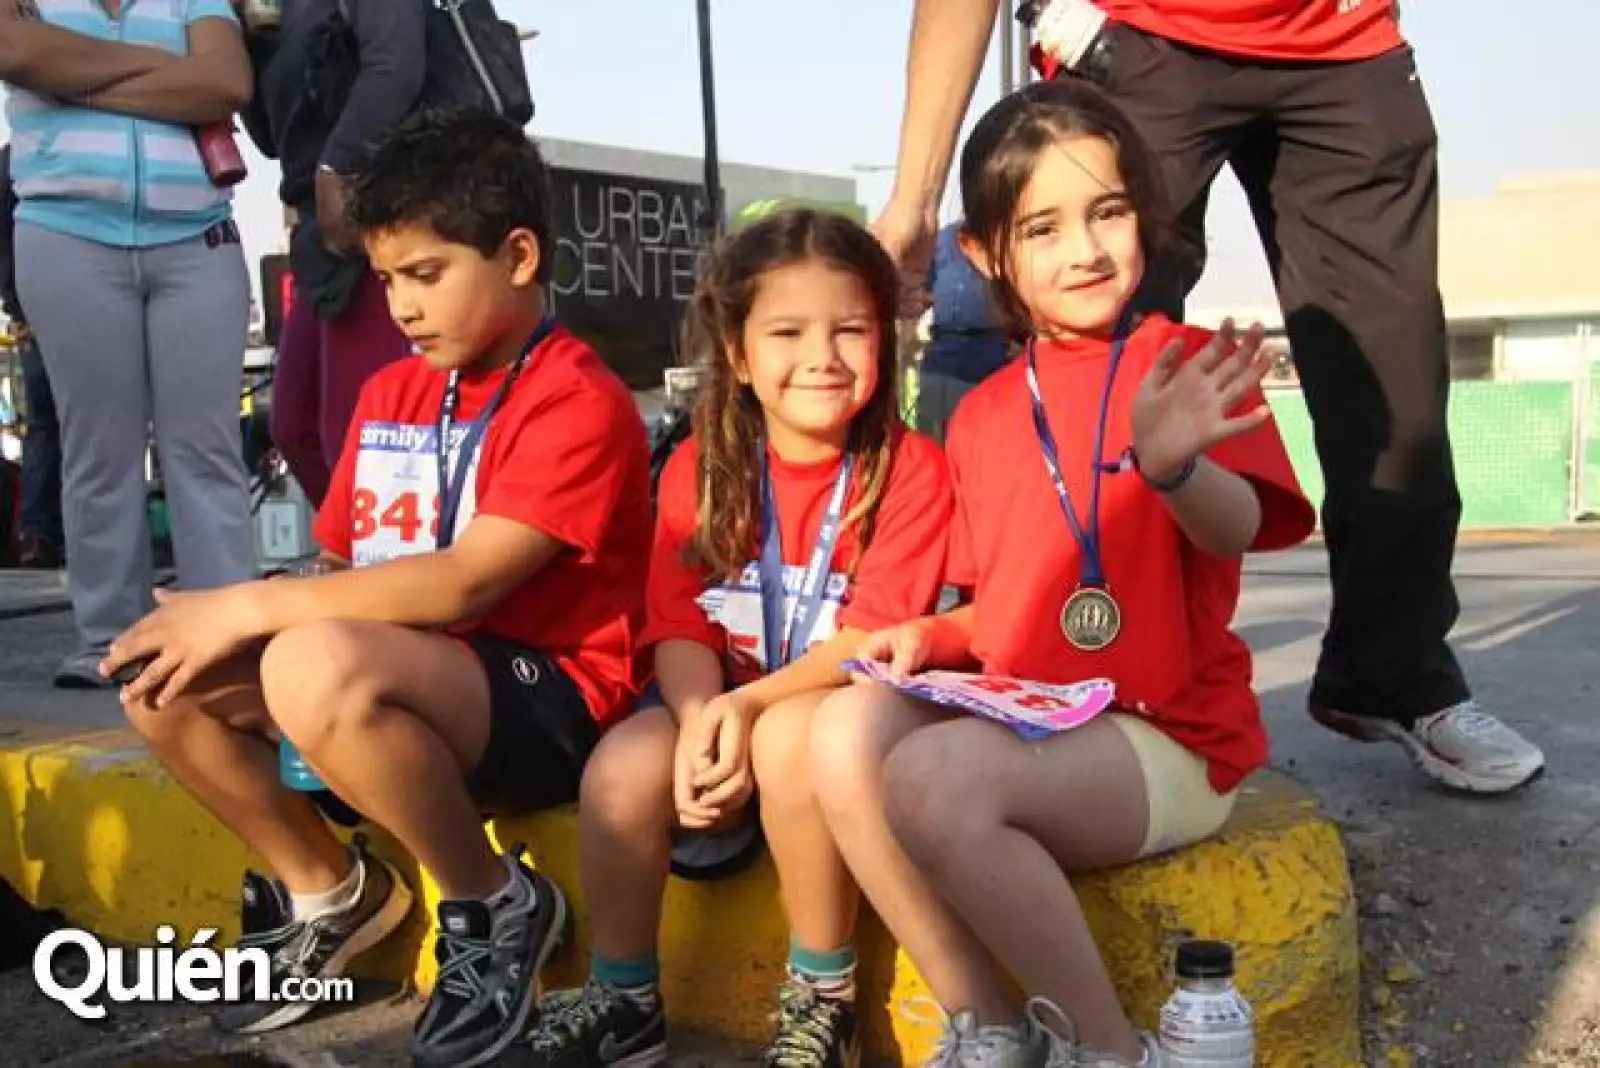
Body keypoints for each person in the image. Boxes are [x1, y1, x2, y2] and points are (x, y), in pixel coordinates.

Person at [870, 0, 1545, 794]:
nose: (1082, 243)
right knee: (1089, 359)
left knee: (1393, 385)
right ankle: (1037, 664)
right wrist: (915, 193)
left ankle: (1393, 672)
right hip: (1144, 38)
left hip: (1340, 41)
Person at [102, 108, 654, 1068]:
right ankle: (329, 889)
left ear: (518, 256)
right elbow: (348, 564)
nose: (400, 306)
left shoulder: (576, 396)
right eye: (388, 277)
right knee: (163, 679)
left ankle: (493, 903)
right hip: (411, 674)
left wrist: (253, 607)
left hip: (553, 694)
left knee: (313, 660)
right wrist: (246, 625)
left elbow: (465, 582)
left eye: (427, 275)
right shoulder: (396, 389)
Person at [812, 80, 1317, 1066]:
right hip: (1036, 719)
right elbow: (992, 612)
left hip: (1165, 736)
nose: (1083, 248)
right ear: (985, 253)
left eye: (1108, 211)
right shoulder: (986, 412)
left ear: (1144, 213)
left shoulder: (1187, 362)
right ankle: (988, 1028)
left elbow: (1237, 529)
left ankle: (1107, 1051)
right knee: (840, 732)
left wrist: (1173, 467)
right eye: (1041, 227)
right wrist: (930, 638)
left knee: (932, 779)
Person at [525, 209, 954, 1068]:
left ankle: (822, 999)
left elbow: (869, 636)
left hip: (825, 713)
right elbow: (678, 621)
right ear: (737, 352)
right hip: (715, 695)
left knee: (795, 739)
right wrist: (697, 722)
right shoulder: (699, 467)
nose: (823, 357)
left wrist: (745, 707)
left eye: (851, 330)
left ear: (886, 339)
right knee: (621, 769)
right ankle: (625, 997)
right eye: (788, 332)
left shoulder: (910, 470)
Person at [0, 0, 257, 686]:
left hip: (197, 238)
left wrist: (75, 73)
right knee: (97, 446)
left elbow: (228, 81)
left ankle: (226, 632)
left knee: (206, 447)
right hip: (66, 234)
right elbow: (16, 51)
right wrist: (173, 74)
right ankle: (109, 637)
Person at [237, 0, 423, 508]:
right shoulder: (270, 13)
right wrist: (245, 40)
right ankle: (357, 553)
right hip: (317, 226)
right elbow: (270, 139)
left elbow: (396, 64)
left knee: (356, 430)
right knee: (294, 424)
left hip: (375, 203)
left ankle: (381, 570)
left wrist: (335, 167)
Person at [0, 143, 63, 569]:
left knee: (43, 425)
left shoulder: (9, 163)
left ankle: (37, 533)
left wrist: (14, 304)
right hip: (81, 303)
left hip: (30, 310)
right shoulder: (66, 156)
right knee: (96, 423)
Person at [914, 222, 1011, 442]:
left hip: (992, 351)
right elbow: (921, 291)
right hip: (943, 352)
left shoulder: (1003, 234)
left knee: (986, 438)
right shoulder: (940, 242)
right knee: (935, 435)